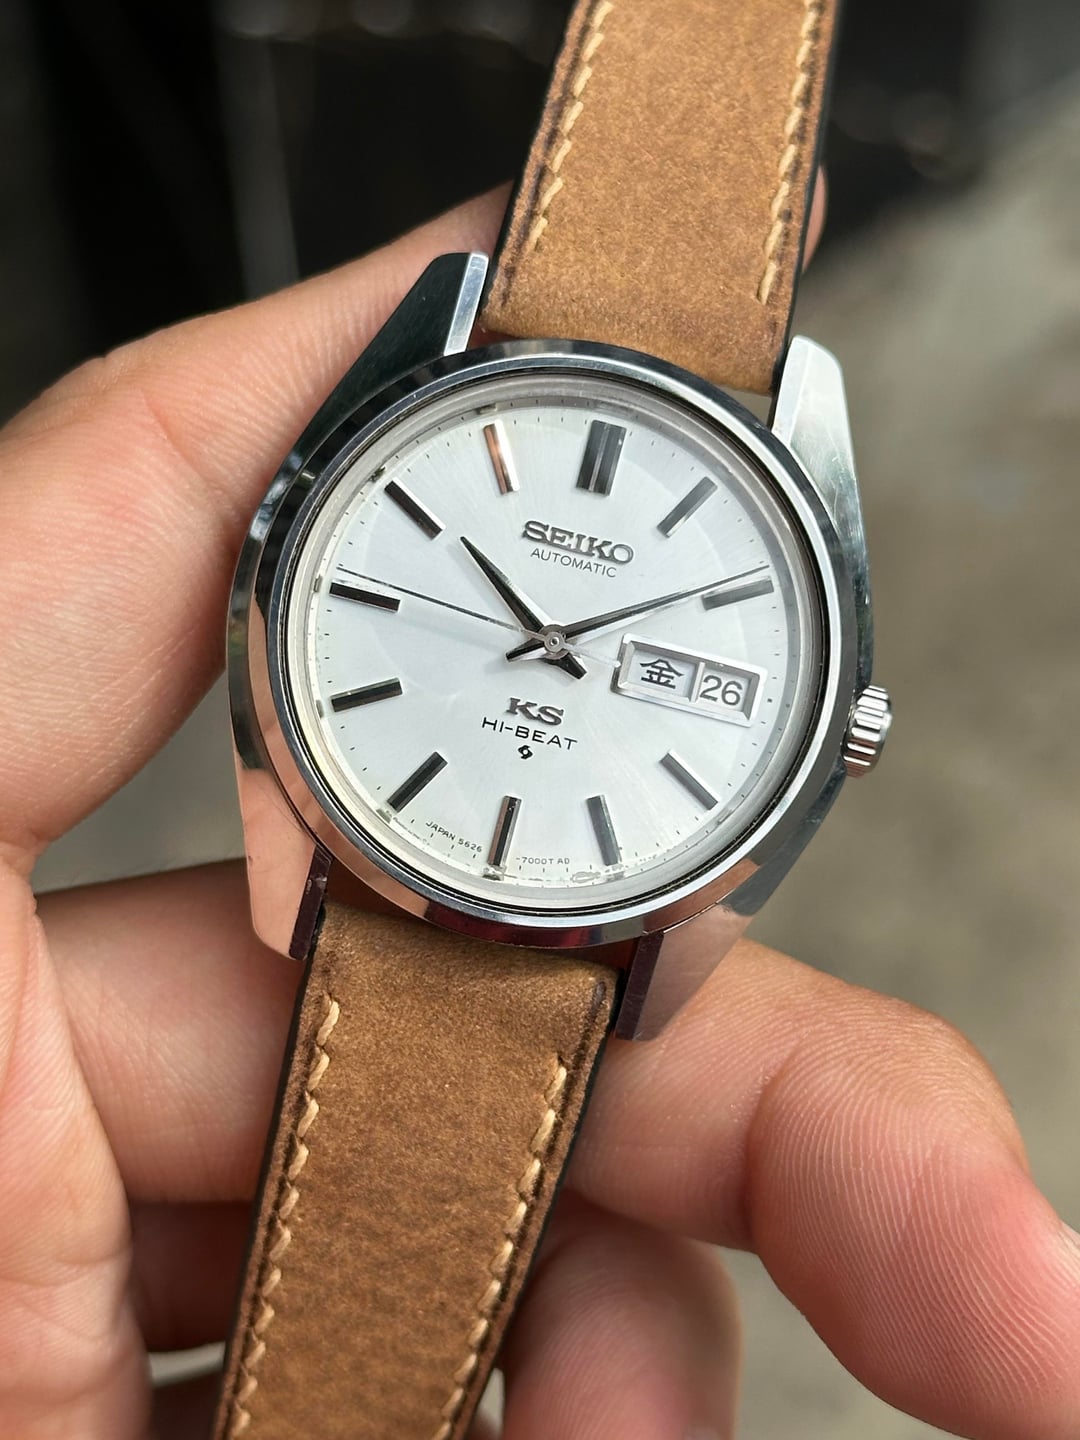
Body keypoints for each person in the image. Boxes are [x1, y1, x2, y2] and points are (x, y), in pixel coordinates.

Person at [1, 190, 1077, 1440]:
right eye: (541, 632)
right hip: (371, 846)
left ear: (842, 725)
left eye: (567, 642)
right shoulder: (454, 348)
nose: (553, 650)